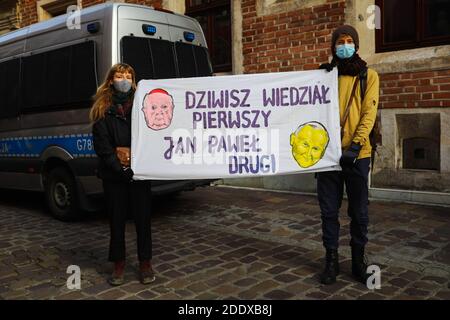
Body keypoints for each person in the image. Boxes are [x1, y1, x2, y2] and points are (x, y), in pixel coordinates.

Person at [317, 25, 379, 285]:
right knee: (329, 211)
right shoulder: (324, 76)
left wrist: (356, 145)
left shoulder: (369, 76)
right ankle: (331, 260)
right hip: (328, 156)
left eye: (349, 41)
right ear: (333, 47)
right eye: (340, 41)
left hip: (358, 154)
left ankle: (357, 261)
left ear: (356, 44)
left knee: (359, 212)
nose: (345, 45)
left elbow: (368, 112)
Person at [90, 63, 155, 286]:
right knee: (116, 221)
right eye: (120, 75)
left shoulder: (143, 103)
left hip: (139, 173)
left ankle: (145, 262)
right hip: (114, 175)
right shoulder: (102, 109)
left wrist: (137, 164)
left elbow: (151, 135)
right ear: (111, 80)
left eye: (128, 75)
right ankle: (118, 264)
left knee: (143, 220)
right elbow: (103, 145)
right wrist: (121, 168)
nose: (124, 79)